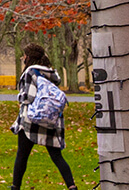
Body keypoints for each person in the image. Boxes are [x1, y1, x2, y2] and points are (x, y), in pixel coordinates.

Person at [9, 44, 78, 190]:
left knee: (22, 154)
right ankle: (72, 186)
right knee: (56, 156)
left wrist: (19, 97)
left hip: (31, 121)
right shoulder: (51, 73)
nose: (23, 58)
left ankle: (15, 187)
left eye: (24, 55)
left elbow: (28, 97)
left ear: (28, 57)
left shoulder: (30, 72)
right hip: (51, 120)